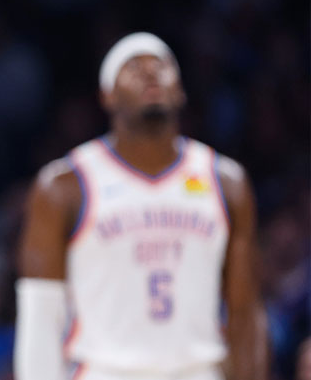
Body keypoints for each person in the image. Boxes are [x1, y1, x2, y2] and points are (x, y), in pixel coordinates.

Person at [15, 33, 267, 380]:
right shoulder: (64, 186)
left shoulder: (226, 182)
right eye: (133, 67)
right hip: (107, 370)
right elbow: (41, 316)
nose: (150, 74)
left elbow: (244, 312)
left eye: (161, 66)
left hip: (197, 370)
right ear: (107, 95)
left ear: (180, 90)